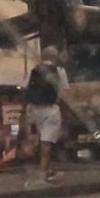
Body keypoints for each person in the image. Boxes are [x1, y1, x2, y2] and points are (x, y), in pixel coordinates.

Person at [23, 45, 69, 182]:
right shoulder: (59, 71)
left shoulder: (33, 71)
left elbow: (24, 90)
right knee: (47, 142)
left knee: (41, 139)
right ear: (55, 57)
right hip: (51, 110)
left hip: (34, 110)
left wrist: (24, 113)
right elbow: (65, 93)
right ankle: (43, 171)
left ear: (43, 57)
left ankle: (43, 168)